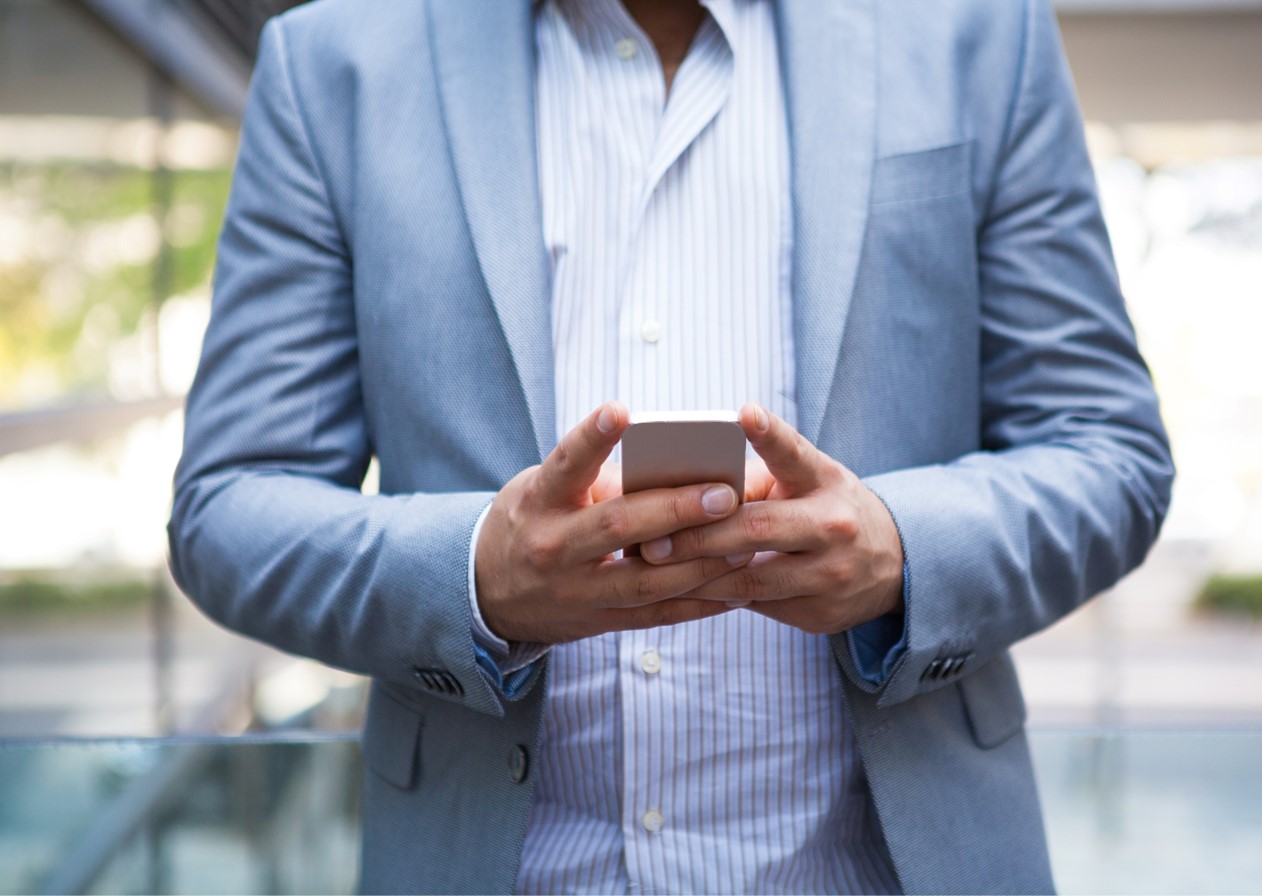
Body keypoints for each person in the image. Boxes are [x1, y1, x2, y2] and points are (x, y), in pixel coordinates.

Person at [168, 0, 1174, 892]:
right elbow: (231, 505)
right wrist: (476, 576)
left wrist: (901, 550)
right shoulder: (330, 63)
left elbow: (1106, 449)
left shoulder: (975, 31)